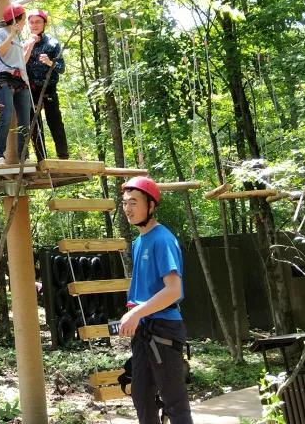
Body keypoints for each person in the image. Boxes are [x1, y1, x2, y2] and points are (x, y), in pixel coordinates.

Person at [118, 176, 194, 424]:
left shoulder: (163, 239)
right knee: (142, 396)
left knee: (174, 401)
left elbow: (173, 290)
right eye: (125, 202)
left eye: (134, 202)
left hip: (163, 329)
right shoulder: (139, 241)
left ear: (150, 206)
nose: (128, 208)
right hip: (145, 330)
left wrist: (136, 312)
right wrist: (135, 315)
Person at [24, 9, 68, 160]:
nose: (34, 25)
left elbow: (62, 68)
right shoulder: (24, 44)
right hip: (31, 89)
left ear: (44, 24)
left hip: (48, 88)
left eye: (38, 22)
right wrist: (29, 46)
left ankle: (63, 155)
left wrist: (50, 62)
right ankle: (41, 157)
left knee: (54, 120)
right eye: (32, 22)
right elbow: (19, 66)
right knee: (34, 124)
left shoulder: (53, 44)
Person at [0, 3, 33, 165]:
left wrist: (29, 47)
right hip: (4, 79)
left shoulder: (18, 37)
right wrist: (11, 35)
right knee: (6, 117)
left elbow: (20, 61)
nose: (24, 23)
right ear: (17, 20)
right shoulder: (0, 33)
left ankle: (24, 156)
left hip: (20, 80)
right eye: (23, 19)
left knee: (25, 120)